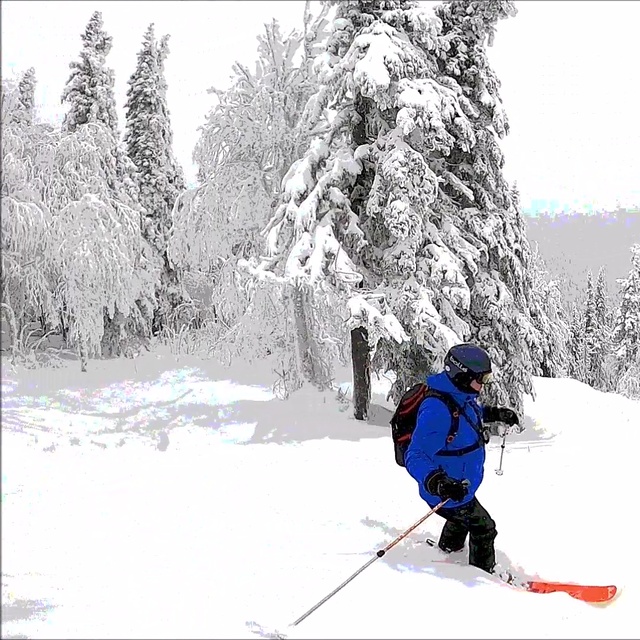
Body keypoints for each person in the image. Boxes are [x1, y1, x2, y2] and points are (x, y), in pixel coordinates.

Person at [404, 343, 519, 575]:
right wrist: (437, 481)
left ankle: (448, 550)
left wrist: (495, 414)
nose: (484, 384)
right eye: (481, 378)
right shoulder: (437, 409)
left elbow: (470, 415)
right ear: (462, 376)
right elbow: (415, 454)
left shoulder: (460, 396)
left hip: (460, 487)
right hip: (446, 490)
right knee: (484, 528)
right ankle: (483, 575)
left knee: (460, 519)